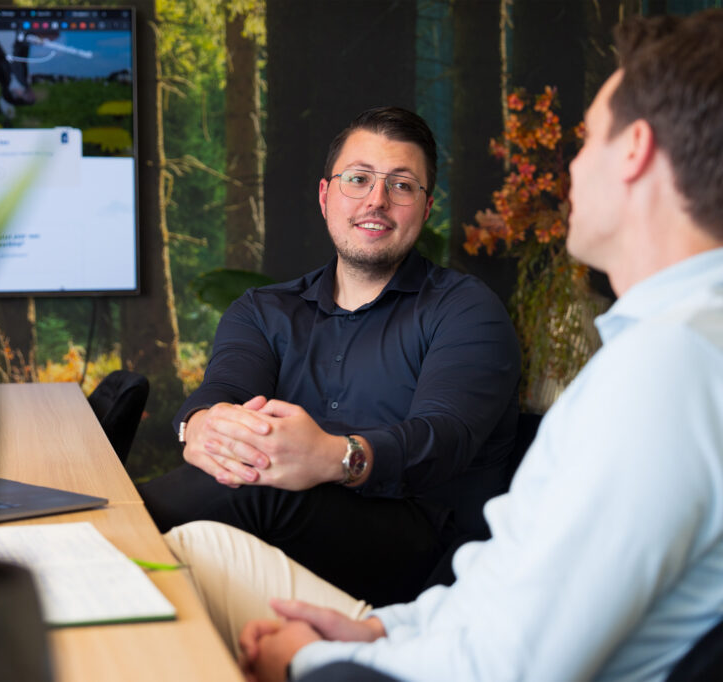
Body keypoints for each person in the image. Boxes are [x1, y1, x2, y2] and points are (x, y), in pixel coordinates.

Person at [175, 10, 723, 681]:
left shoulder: (666, 371)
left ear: (633, 150)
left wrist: (308, 660)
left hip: (417, 613)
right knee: (195, 545)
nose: (572, 169)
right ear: (326, 195)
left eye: (586, 142)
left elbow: (509, 665)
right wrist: (381, 630)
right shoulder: (667, 352)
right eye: (358, 179)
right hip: (421, 625)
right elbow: (504, 584)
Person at [140, 106, 521, 608]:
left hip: (419, 555)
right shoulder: (263, 310)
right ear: (325, 196)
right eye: (358, 179)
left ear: (426, 208)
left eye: (402, 185)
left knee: (259, 487)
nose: (377, 200)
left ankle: (90, 547)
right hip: (284, 532)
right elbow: (225, 390)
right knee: (238, 491)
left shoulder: (466, 309)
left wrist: (334, 457)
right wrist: (202, 424)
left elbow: (444, 436)